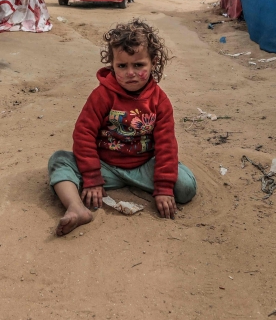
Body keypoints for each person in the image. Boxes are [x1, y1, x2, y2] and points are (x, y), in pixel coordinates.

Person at [47, 19, 197, 236]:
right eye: (122, 66)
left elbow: (166, 144)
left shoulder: (160, 101)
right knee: (59, 160)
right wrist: (91, 178)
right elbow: (84, 135)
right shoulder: (101, 96)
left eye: (138, 65)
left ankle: (150, 184)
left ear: (153, 63)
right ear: (112, 64)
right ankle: (77, 208)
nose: (130, 73)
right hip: (105, 167)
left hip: (144, 166)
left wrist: (164, 188)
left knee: (185, 187)